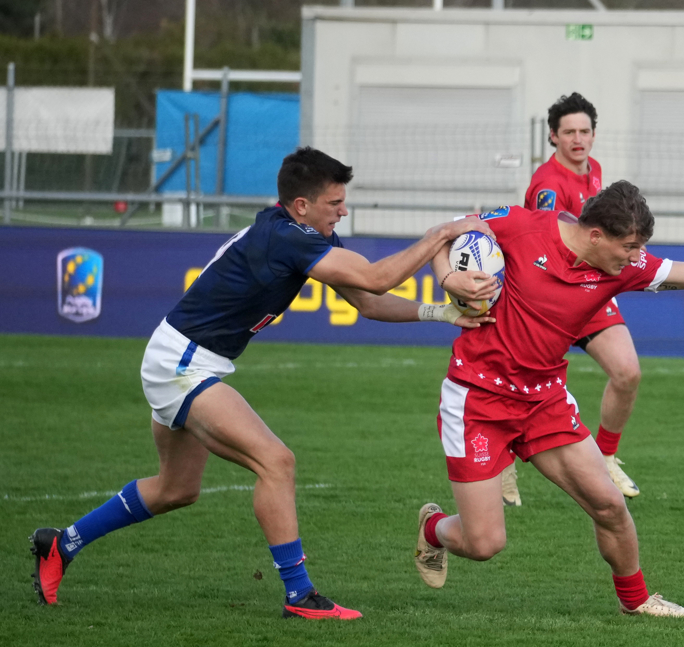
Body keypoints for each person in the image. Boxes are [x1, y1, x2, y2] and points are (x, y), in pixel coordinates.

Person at [29, 147, 496, 620]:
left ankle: (61, 544)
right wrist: (442, 233)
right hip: (183, 363)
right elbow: (377, 279)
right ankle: (299, 595)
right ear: (301, 206)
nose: (344, 210)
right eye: (334, 203)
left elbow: (370, 304)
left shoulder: (302, 234)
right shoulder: (287, 238)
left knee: (176, 489)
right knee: (276, 462)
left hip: (180, 356)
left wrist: (439, 313)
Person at [416, 181, 684, 619]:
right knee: (484, 544)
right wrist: (448, 276)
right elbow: (446, 232)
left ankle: (638, 600)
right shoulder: (520, 224)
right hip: (478, 400)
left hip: (543, 400)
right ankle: (433, 529)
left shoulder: (624, 266)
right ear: (595, 236)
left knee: (608, 504)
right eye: (628, 247)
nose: (635, 257)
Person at [498, 92, 642, 507]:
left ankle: (608, 456)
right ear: (553, 137)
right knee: (522, 374)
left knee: (628, 373)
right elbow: (547, 231)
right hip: (552, 290)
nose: (578, 139)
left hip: (590, 289)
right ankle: (503, 454)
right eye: (569, 132)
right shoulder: (547, 184)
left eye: (584, 131)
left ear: (594, 134)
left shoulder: (594, 170)